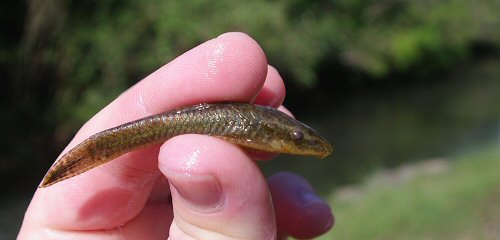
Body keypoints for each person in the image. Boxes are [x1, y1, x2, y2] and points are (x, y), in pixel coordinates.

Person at [18, 32, 334, 239]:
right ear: (270, 131)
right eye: (296, 138)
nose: (300, 141)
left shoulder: (266, 127)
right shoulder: (268, 129)